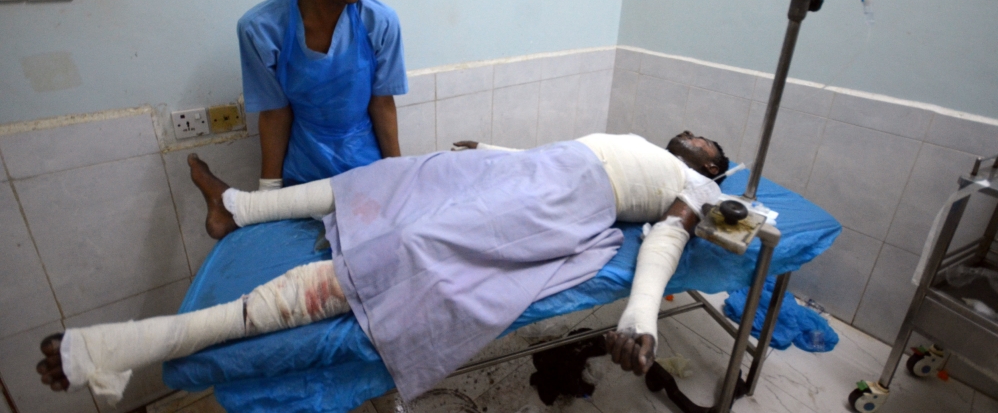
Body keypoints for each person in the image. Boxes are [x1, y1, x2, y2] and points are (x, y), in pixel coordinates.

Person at [37, 132, 729, 403]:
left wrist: (641, 316)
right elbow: (564, 151)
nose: (693, 136)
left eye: (705, 145)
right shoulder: (634, 134)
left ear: (711, 167)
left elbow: (669, 234)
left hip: (565, 201)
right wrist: (485, 149)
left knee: (414, 245)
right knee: (398, 176)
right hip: (534, 167)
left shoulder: (701, 188)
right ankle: (239, 207)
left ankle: (125, 344)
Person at [239, 0, 408, 189]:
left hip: (365, 171)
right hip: (303, 172)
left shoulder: (380, 23)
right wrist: (269, 193)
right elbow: (275, 114)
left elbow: (382, 104)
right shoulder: (261, 30)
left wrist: (397, 177)